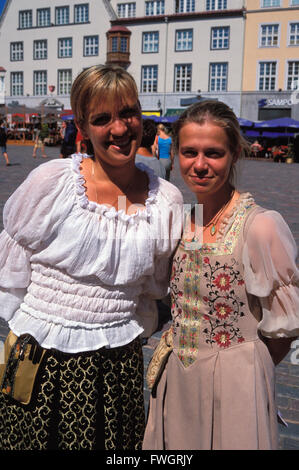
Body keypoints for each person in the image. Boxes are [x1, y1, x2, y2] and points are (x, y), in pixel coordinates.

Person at [0, 64, 183, 450]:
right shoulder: (52, 182)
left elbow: (153, 289)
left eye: (128, 113)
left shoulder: (165, 201)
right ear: (83, 126)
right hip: (36, 354)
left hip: (115, 363)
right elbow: (14, 266)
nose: (119, 128)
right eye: (103, 118)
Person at [143, 100, 299, 450]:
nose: (199, 165)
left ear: (234, 155)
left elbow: (282, 331)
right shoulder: (184, 220)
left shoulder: (260, 226)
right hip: (179, 381)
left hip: (235, 387)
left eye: (213, 153)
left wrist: (240, 367)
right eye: (189, 152)